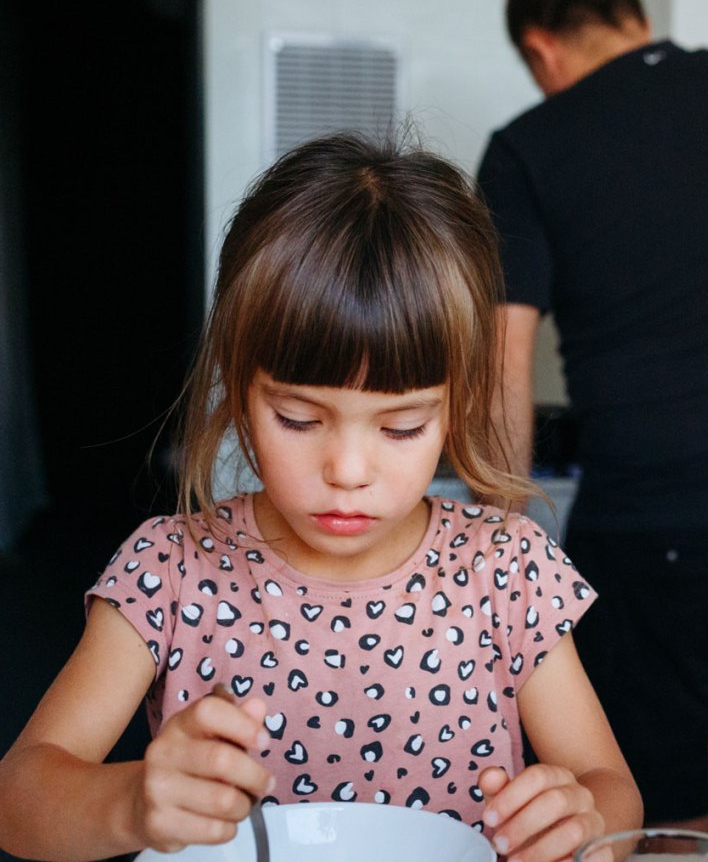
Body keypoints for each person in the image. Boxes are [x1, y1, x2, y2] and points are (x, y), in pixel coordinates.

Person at [0, 132, 641, 862]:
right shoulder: (172, 569)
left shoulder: (505, 567)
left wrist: (582, 821)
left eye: (401, 426)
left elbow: (610, 785)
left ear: (456, 406)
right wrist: (132, 801)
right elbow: (18, 797)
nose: (347, 468)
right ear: (239, 390)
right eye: (299, 419)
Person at [476, 0, 708, 831]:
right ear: (631, 15)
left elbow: (501, 365)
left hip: (659, 525)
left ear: (541, 47)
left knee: (661, 818)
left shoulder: (530, 145)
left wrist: (494, 543)